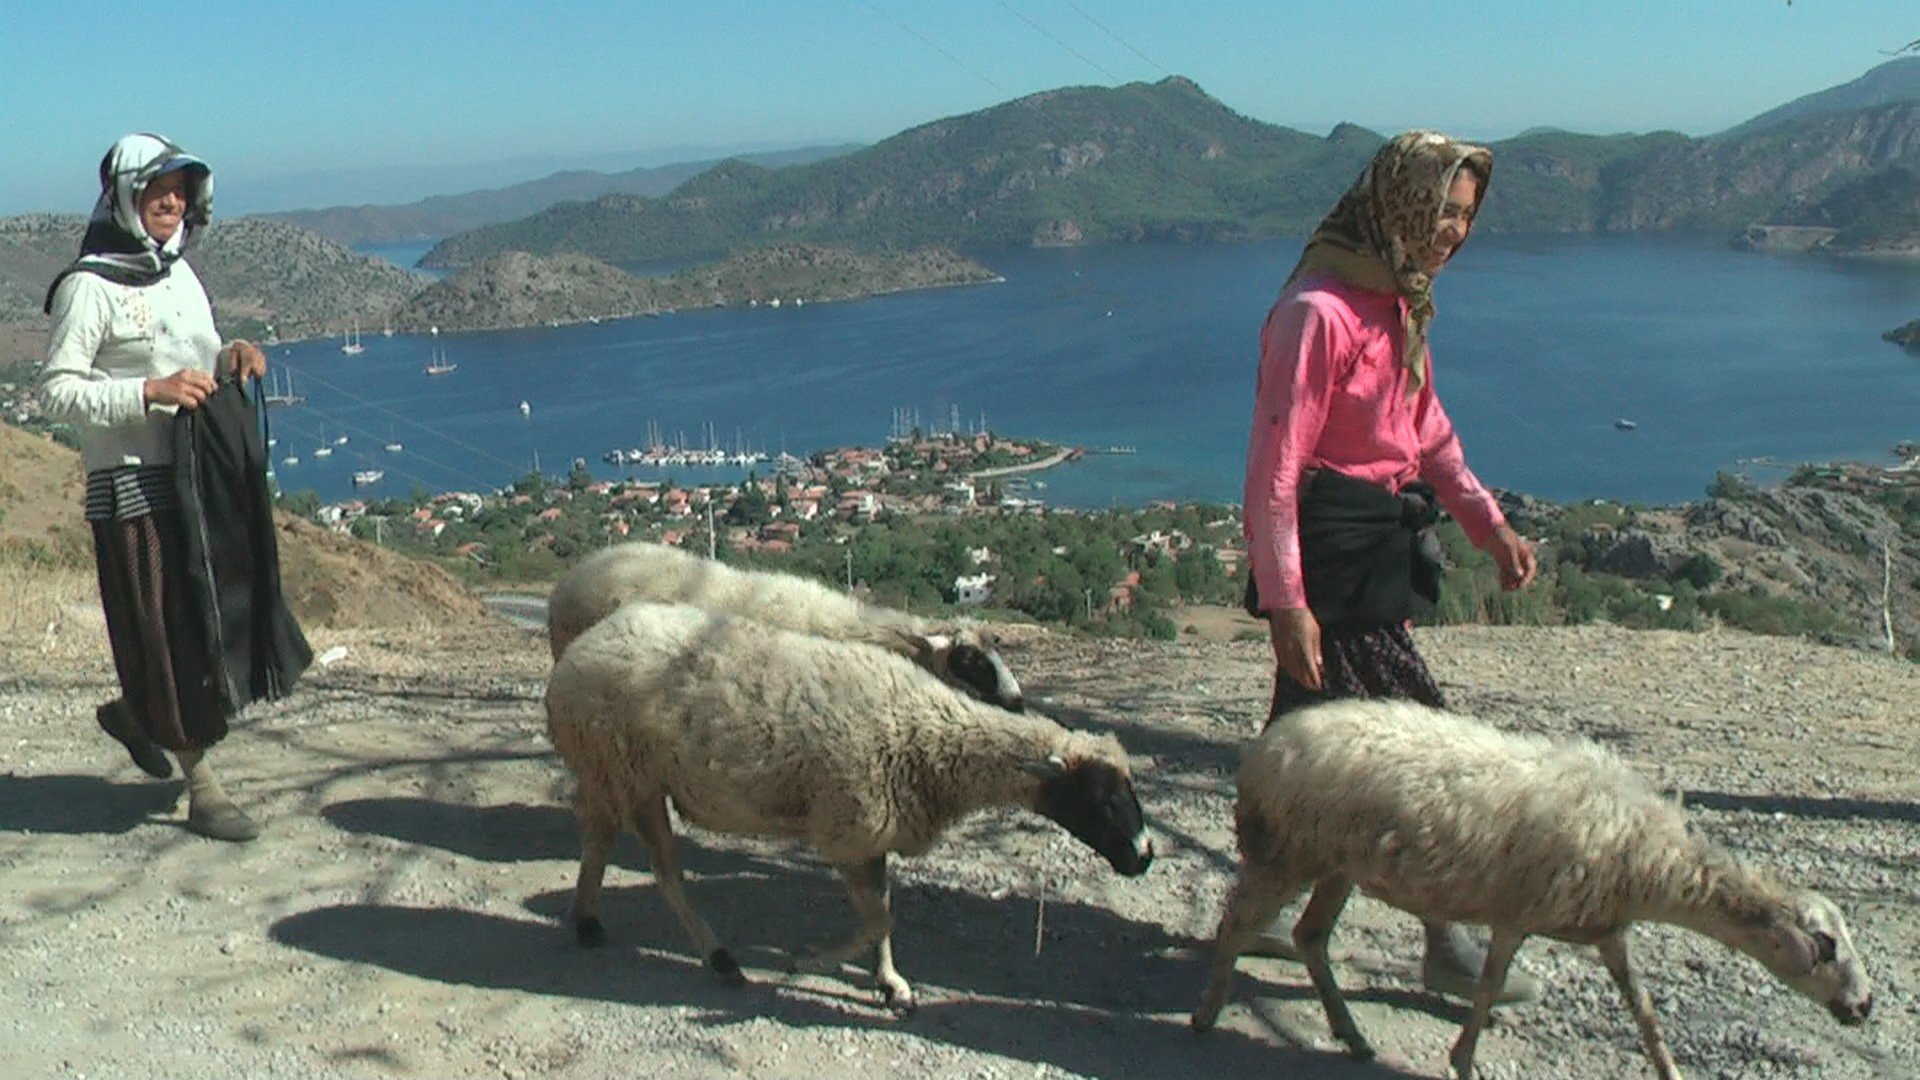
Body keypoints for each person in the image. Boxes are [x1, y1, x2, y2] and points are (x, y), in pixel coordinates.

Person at [1241, 130, 1543, 1000]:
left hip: (1373, 553)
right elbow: (1275, 468)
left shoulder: (1397, 304)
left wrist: (1489, 527)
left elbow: (1426, 433)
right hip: (1334, 564)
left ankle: (1254, 917)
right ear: (1399, 205)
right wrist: (1287, 602)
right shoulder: (1319, 314)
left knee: (1301, 751)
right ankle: (1447, 941)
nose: (1454, 232)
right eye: (1443, 212)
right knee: (1426, 753)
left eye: (1466, 217)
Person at [39, 133, 273, 842]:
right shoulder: (88, 286)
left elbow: (198, 348)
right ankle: (202, 786)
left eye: (181, 189)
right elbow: (56, 393)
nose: (171, 201)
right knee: (165, 629)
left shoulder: (178, 274)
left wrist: (230, 354)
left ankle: (140, 714)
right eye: (156, 189)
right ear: (125, 197)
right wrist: (149, 391)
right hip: (132, 486)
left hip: (197, 478)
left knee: (204, 623)